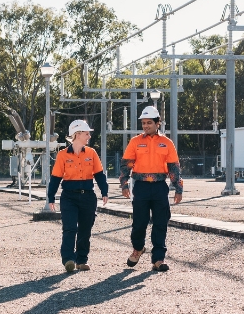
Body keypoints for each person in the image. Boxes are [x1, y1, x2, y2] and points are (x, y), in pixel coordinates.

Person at [120, 105, 182, 272]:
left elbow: (174, 168)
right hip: (140, 187)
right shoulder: (135, 142)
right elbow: (126, 165)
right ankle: (138, 248)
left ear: (157, 123)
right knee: (139, 223)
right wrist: (124, 184)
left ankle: (158, 259)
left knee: (160, 223)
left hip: (160, 187)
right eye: (143, 123)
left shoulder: (167, 143)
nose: (145, 126)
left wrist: (178, 188)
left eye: (149, 122)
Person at [46, 120, 109, 273]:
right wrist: (51, 197)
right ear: (77, 134)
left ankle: (81, 260)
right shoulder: (62, 155)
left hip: (88, 197)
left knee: (85, 230)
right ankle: (68, 259)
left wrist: (104, 191)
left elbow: (99, 175)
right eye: (86, 133)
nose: (89, 136)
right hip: (69, 197)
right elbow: (55, 178)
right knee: (70, 228)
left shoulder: (91, 153)